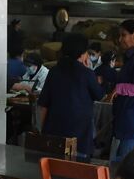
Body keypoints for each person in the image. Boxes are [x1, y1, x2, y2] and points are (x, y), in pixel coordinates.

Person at [39, 33, 105, 161]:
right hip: (79, 136)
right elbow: (99, 95)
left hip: (54, 134)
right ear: (82, 53)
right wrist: (90, 71)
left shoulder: (54, 71)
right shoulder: (87, 74)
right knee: (78, 172)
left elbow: (43, 106)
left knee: (54, 172)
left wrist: (43, 132)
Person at [98, 19, 134, 163]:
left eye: (124, 35)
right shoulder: (130, 57)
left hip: (132, 118)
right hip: (125, 115)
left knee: (125, 165)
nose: (120, 39)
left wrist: (119, 88)